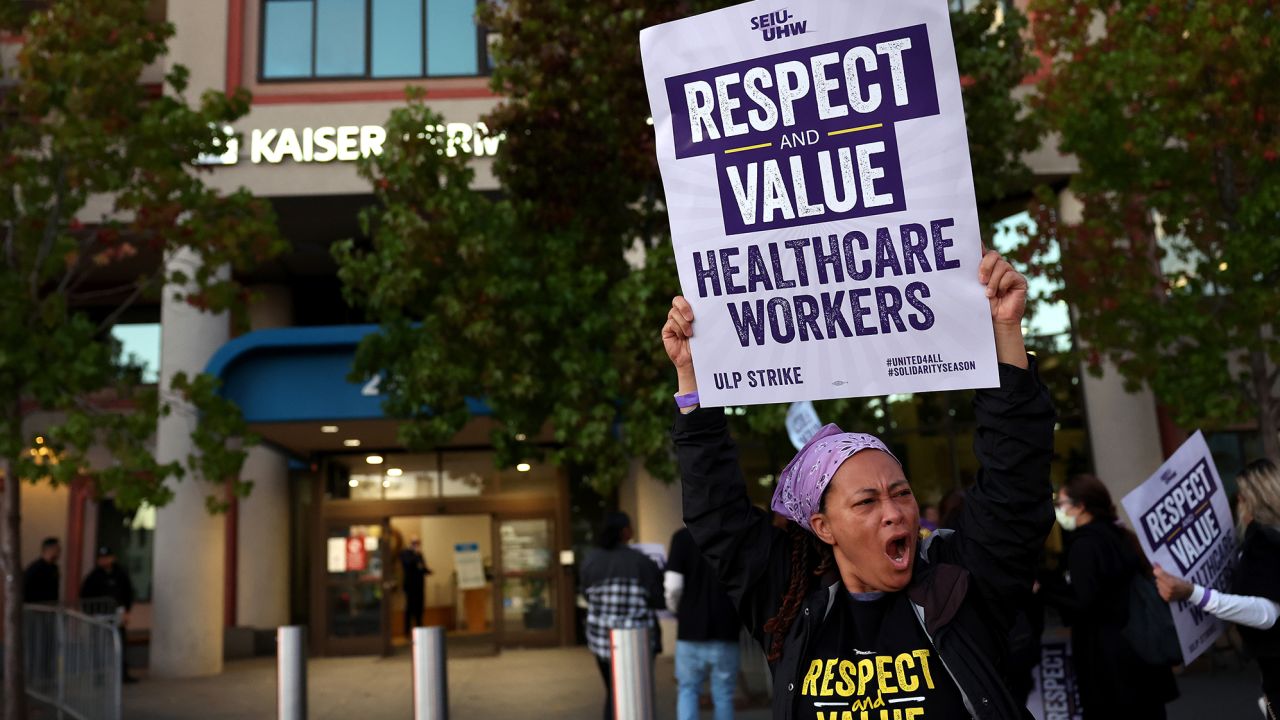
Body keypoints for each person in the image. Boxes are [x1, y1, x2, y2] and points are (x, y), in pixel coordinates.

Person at [663, 249, 1056, 719]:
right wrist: (692, 374)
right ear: (824, 526)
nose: (894, 512)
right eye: (866, 501)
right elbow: (717, 513)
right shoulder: (789, 606)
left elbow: (1014, 485)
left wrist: (1005, 334)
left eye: (901, 492)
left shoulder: (960, 588)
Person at [1153, 458, 1280, 718]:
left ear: (1249, 501)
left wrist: (1193, 593)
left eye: (1239, 497)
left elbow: (1267, 613)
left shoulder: (1263, 542)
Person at [1043, 474, 1178, 719]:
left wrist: (1043, 592)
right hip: (1139, 648)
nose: (1059, 510)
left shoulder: (1084, 545)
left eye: (1061, 503)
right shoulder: (1121, 535)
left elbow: (1084, 601)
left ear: (1081, 506)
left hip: (1106, 659)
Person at [580, 511, 663, 720]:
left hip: (603, 642)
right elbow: (658, 600)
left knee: (613, 693)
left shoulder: (591, 561)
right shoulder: (643, 562)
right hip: (639, 642)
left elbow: (586, 596)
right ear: (625, 532)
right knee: (639, 693)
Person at [666, 526, 741, 720]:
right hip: (726, 627)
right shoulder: (733, 535)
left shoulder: (682, 538)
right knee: (724, 695)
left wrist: (679, 611)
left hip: (690, 630)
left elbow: (672, 587)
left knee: (687, 690)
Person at [81, 546, 137, 683]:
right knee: (99, 647)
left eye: (107, 557)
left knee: (120, 645)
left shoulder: (120, 573)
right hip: (100, 615)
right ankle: (98, 675)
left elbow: (128, 592)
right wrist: (91, 613)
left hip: (117, 615)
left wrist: (127, 611)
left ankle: (123, 675)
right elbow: (85, 596)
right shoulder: (94, 576)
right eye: (102, 558)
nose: (105, 560)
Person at [400, 537, 431, 635]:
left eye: (418, 543)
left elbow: (422, 566)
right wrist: (415, 554)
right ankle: (407, 631)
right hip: (410, 585)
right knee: (410, 607)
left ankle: (419, 627)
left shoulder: (419, 554)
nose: (416, 545)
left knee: (419, 607)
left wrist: (427, 571)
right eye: (414, 543)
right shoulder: (405, 553)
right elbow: (408, 563)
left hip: (419, 585)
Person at [23, 537, 61, 605]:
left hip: (50, 608)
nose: (59, 552)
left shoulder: (54, 568)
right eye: (57, 549)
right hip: (36, 608)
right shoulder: (35, 568)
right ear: (49, 549)